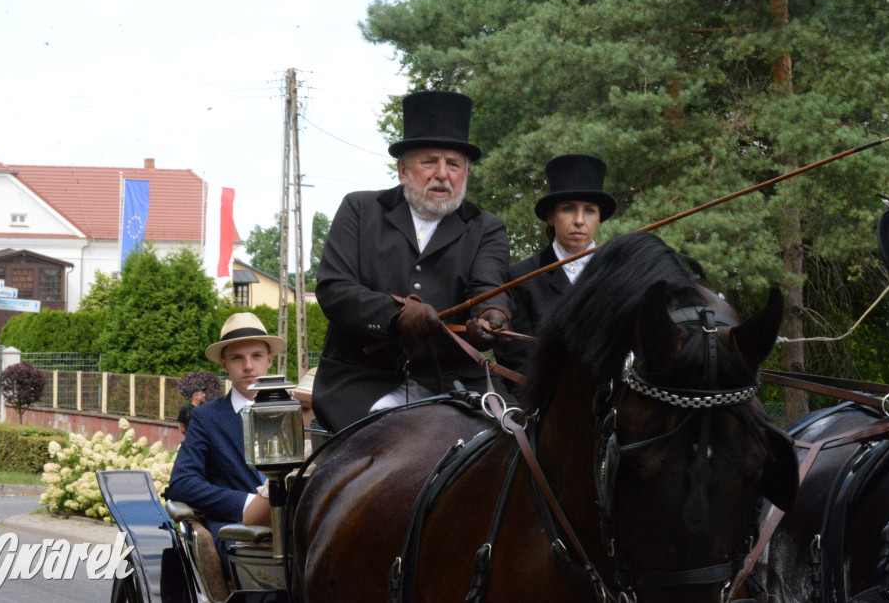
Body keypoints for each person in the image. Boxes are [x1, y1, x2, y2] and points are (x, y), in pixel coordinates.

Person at [312, 90, 513, 432]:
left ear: (465, 173)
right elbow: (334, 289)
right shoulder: (359, 210)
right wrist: (396, 315)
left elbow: (489, 288)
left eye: (453, 164)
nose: (442, 174)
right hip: (362, 382)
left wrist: (491, 316)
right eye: (429, 162)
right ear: (403, 169)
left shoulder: (487, 227)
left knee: (515, 445)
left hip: (454, 383)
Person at [166, 312, 286, 568]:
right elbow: (182, 483)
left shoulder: (295, 411)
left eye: (256, 356)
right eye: (237, 358)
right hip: (238, 534)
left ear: (270, 360)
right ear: (223, 364)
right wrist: (248, 505)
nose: (248, 366)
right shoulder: (206, 417)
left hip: (297, 528)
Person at [494, 154, 616, 373]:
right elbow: (514, 357)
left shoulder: (618, 274)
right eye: (568, 209)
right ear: (551, 217)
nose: (579, 220)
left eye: (589, 210)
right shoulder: (520, 277)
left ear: (599, 219)